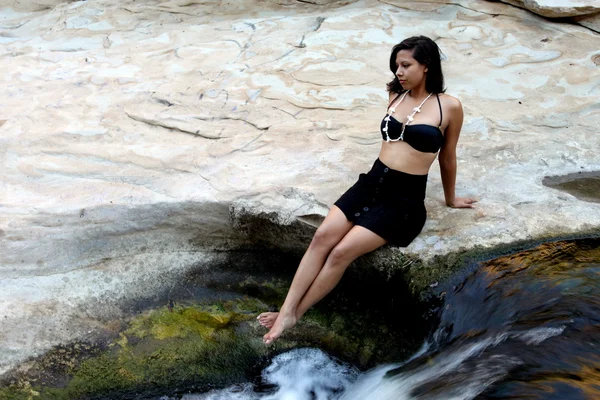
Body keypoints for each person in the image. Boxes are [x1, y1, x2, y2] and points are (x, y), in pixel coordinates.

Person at [258, 35, 476, 345]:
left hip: (404, 200)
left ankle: (294, 315)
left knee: (341, 252)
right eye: (396, 65)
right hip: (372, 183)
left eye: (405, 65)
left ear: (426, 66)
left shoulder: (449, 106)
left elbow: (448, 156)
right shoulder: (395, 95)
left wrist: (451, 199)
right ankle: (285, 308)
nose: (398, 72)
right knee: (321, 237)